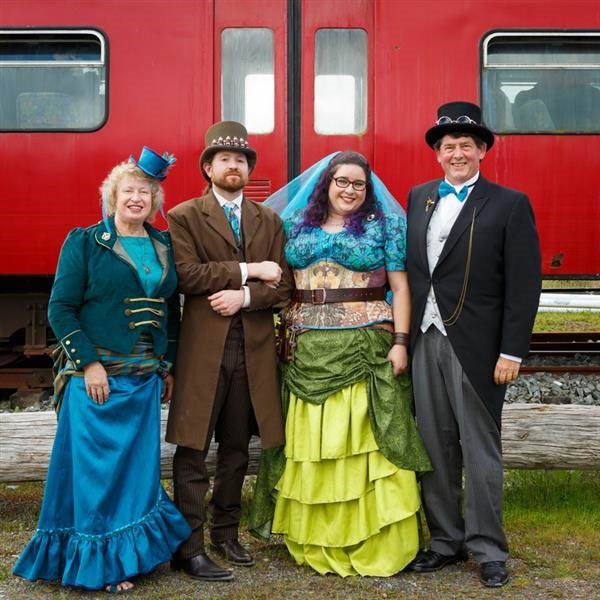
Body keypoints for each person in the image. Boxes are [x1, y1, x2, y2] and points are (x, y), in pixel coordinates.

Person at [13, 147, 191, 593]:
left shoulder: (163, 243)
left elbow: (170, 311)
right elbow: (61, 310)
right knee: (97, 476)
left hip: (144, 379)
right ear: (113, 196)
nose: (137, 198)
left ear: (155, 200)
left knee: (136, 474)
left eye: (146, 192)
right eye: (128, 191)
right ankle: (101, 565)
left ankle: (129, 556)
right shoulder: (85, 242)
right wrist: (88, 364)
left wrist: (166, 364)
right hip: (98, 382)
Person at [250, 151, 432, 577]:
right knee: (314, 448)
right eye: (342, 181)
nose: (349, 190)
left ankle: (374, 537)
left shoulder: (386, 225)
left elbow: (401, 289)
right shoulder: (294, 225)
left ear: (368, 191)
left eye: (358, 184)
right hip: (305, 349)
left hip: (366, 345)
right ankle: (317, 536)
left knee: (366, 443)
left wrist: (401, 342)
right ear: (326, 184)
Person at [405, 101, 541, 587]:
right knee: (433, 446)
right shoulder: (418, 197)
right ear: (438, 155)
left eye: (466, 145)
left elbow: (524, 285)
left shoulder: (509, 203)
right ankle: (445, 540)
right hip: (426, 338)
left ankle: (488, 549)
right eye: (448, 146)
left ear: (481, 150)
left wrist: (512, 351)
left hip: (480, 346)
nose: (456, 153)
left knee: (480, 450)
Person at [166, 121, 293, 581]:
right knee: (193, 448)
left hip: (253, 349)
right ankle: (189, 546)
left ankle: (226, 533)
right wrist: (247, 269)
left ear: (248, 168)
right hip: (203, 350)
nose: (233, 165)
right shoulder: (183, 216)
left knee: (238, 447)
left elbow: (284, 287)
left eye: (241, 160)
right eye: (224, 159)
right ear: (208, 168)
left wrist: (247, 296)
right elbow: (186, 276)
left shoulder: (269, 221)